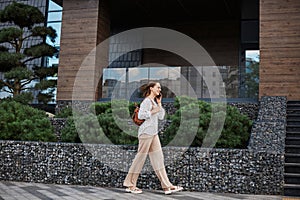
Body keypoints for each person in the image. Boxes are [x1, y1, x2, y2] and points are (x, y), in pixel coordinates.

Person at [123, 82, 183, 195]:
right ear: (151, 88)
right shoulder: (146, 101)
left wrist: (159, 104)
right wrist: (153, 111)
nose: (160, 89)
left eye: (160, 88)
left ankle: (167, 186)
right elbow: (140, 115)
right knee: (140, 158)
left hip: (153, 133)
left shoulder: (154, 102)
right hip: (146, 133)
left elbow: (161, 116)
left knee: (158, 159)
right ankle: (130, 184)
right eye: (158, 87)